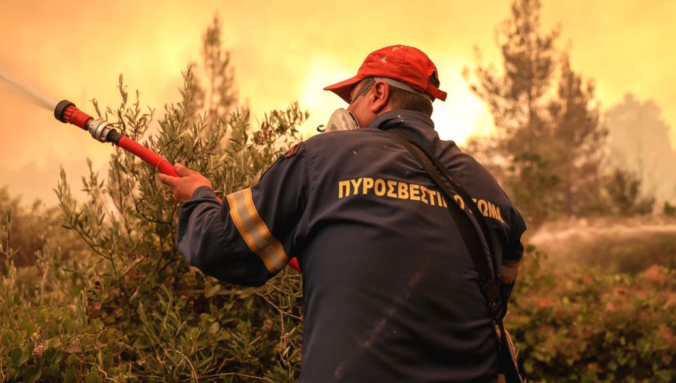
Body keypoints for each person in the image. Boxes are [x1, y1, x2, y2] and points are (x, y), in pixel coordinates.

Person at [159, 45, 526, 382]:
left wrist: (200, 197)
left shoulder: (321, 160)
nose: (347, 112)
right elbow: (490, 296)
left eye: (353, 99)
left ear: (379, 94)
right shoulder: (490, 190)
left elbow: (222, 246)